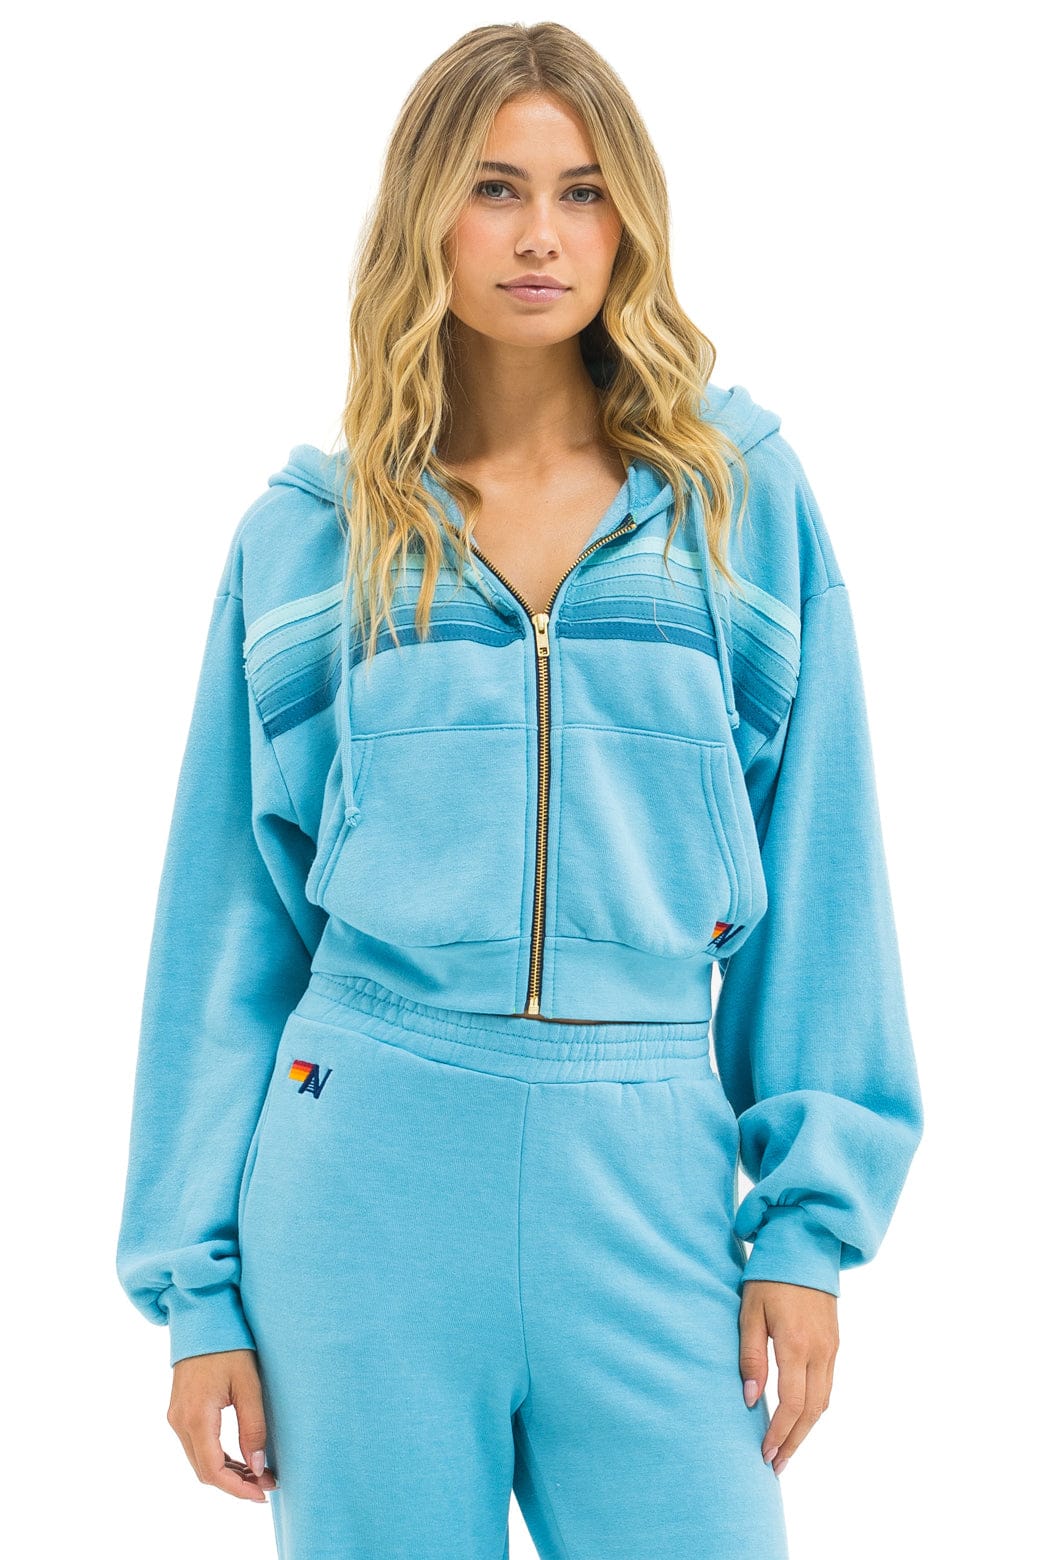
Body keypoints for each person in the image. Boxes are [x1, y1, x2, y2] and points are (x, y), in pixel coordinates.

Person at [115, 21, 924, 1560]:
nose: (541, 234)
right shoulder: (313, 537)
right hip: (364, 1177)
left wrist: (807, 1233)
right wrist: (194, 1290)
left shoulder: (736, 508)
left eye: (582, 190)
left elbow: (824, 877)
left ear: (631, 222)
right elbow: (226, 933)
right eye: (495, 188)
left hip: (652, 1177)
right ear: (427, 214)